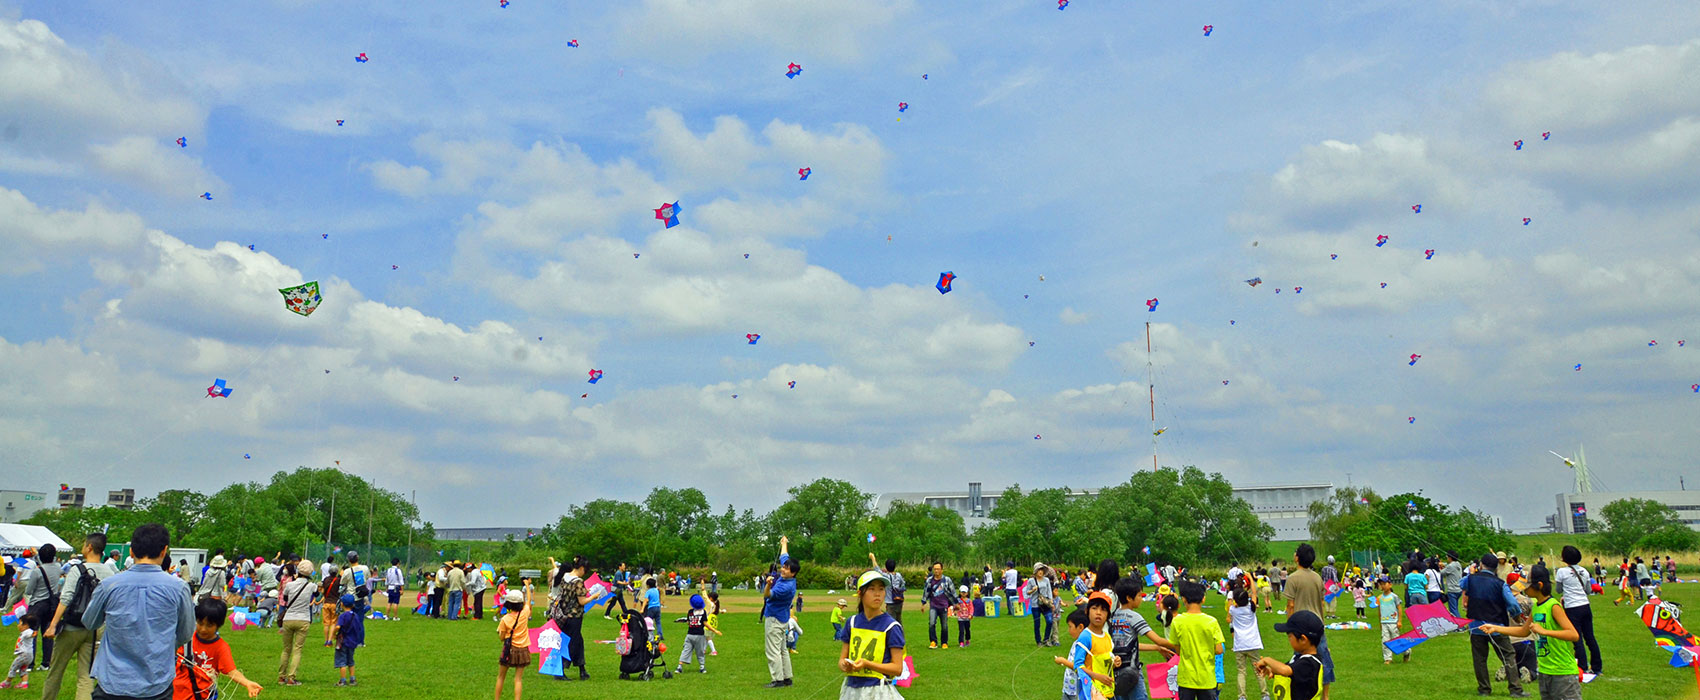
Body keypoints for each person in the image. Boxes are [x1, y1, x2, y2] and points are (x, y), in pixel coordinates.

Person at [83, 523, 196, 700]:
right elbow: (186, 633)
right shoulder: (179, 588)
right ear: (164, 551)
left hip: (112, 682)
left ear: (131, 551)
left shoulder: (109, 585)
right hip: (156, 682)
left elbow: (90, 622)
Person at [1479, 565, 1580, 700]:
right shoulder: (1537, 607)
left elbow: (1573, 635)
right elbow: (1523, 631)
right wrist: (1496, 628)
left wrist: (1545, 631)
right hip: (1545, 670)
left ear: (1539, 585)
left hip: (1562, 672)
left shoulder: (1553, 606)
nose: (1524, 589)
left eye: (1526, 586)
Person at [42, 531, 116, 700]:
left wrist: (53, 624)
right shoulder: (110, 572)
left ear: (89, 547)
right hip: (94, 629)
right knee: (86, 676)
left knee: (56, 671)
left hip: (71, 627)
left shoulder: (78, 570)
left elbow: (66, 598)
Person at [1461, 552, 1525, 697]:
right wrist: (1516, 616)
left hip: (1476, 626)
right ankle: (1515, 689)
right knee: (1508, 655)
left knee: (1480, 659)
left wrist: (1471, 573)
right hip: (1497, 626)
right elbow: (1513, 604)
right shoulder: (1500, 584)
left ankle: (1484, 689)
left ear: (1481, 565)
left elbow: (1462, 585)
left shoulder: (1471, 579)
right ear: (1496, 567)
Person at [174, 598, 263, 700]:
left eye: (209, 625)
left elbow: (232, 671)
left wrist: (247, 683)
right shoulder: (186, 638)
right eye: (200, 623)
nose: (203, 629)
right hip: (175, 694)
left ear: (218, 625)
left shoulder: (220, 648)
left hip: (201, 696)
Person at [836, 570, 906, 700]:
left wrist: (867, 664)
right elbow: (841, 660)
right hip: (851, 691)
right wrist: (845, 665)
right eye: (872, 589)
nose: (877, 594)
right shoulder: (851, 623)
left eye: (881, 589)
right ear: (860, 594)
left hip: (879, 691)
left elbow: (897, 668)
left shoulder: (891, 627)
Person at [1109, 578, 1177, 700]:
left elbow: (1128, 645)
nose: (1141, 598)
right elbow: (1158, 639)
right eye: (1139, 595)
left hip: (1116, 671)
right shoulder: (1134, 616)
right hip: (1132, 670)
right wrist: (1181, 645)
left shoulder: (1114, 616)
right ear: (1129, 598)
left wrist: (1156, 648)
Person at [1284, 544, 1333, 700]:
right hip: (1317, 625)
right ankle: (1325, 696)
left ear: (1297, 557)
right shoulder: (1317, 577)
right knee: (1323, 660)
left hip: (1301, 627)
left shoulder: (1292, 578)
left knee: (1300, 663)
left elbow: (1290, 605)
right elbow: (1321, 603)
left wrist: (1290, 627)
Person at [5, 545, 62, 671]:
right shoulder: (58, 568)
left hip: (37, 604)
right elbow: (47, 566)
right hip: (51, 604)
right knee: (47, 633)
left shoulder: (37, 571)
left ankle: (30, 664)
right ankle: (46, 663)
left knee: (31, 634)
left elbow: (29, 590)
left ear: (40, 556)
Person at [1253, 610, 1326, 700]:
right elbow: (1288, 672)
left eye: (1290, 636)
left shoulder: (1309, 663)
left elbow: (1285, 670)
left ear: (1303, 639)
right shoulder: (1300, 658)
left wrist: (1266, 660)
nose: (1289, 640)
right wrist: (1271, 671)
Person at [1554, 546, 1601, 678]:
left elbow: (1558, 590)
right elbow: (1587, 590)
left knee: (1577, 638)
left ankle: (1582, 667)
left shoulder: (1562, 572)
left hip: (1572, 607)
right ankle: (1597, 667)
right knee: (1590, 637)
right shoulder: (1584, 571)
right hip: (1585, 605)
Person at [1172, 581, 1224, 700]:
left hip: (1186, 678)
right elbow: (1219, 650)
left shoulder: (1177, 621)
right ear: (1203, 599)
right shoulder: (1211, 621)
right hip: (1206, 677)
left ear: (1184, 599)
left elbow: (1178, 650)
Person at [546, 556, 593, 682]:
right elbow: (582, 601)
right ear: (582, 568)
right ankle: (559, 671)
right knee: (571, 643)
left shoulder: (565, 577)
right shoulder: (578, 581)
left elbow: (568, 594)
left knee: (578, 642)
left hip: (563, 616)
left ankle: (582, 670)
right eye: (585, 570)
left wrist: (584, 591)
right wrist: (594, 596)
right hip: (574, 616)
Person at [761, 536, 798, 688]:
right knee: (783, 650)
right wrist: (784, 543)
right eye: (784, 567)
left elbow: (767, 595)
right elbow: (784, 556)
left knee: (773, 651)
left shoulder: (786, 588)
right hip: (782, 618)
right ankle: (787, 678)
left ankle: (778, 680)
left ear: (793, 573)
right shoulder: (787, 574)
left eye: (786, 569)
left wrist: (768, 584)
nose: (783, 569)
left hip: (775, 619)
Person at [276, 561, 317, 686]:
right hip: (303, 619)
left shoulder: (290, 585)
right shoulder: (311, 586)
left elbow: (286, 599)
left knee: (286, 649)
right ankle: (291, 678)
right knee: (297, 649)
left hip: (288, 619)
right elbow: (317, 593)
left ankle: (281, 676)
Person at [1228, 581, 1266, 700]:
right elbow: (1254, 592)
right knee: (1258, 670)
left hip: (1240, 644)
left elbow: (1230, 601)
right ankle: (1265, 694)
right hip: (1253, 643)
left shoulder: (1233, 610)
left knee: (1241, 671)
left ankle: (1242, 696)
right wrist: (1249, 577)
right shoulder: (1251, 608)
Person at [495, 589, 531, 700]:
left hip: (509, 650)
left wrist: (504, 634)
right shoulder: (525, 613)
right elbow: (528, 601)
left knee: (501, 677)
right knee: (518, 679)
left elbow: (501, 638)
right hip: (523, 649)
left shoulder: (505, 619)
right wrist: (527, 587)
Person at [1055, 607, 1092, 700]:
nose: (1068, 630)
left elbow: (1080, 667)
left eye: (1070, 626)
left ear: (1080, 627)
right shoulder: (1076, 642)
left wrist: (1063, 661)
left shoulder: (1084, 645)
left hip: (1078, 690)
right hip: (1068, 688)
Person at [328, 594, 363, 686]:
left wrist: (334, 633)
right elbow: (359, 628)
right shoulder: (355, 616)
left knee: (342, 661)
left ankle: (342, 680)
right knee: (351, 661)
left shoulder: (343, 616)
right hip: (352, 641)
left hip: (342, 641)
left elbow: (338, 626)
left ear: (342, 604)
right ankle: (352, 679)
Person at [675, 594, 714, 674]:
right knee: (700, 651)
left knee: (685, 650)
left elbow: (689, 623)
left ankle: (679, 667)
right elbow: (705, 623)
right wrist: (714, 630)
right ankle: (702, 667)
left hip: (689, 635)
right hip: (699, 635)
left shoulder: (690, 612)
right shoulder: (703, 613)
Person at [921, 562, 957, 650]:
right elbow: (926, 592)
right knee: (932, 623)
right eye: (935, 569)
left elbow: (953, 592)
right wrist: (923, 603)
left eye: (938, 569)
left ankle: (944, 642)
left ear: (942, 570)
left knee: (944, 625)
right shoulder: (929, 580)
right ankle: (933, 642)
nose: (936, 571)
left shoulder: (947, 580)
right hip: (933, 605)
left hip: (944, 606)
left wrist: (956, 603)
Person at [867, 553, 907, 625]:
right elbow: (903, 584)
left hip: (890, 602)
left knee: (891, 623)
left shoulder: (886, 576)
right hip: (899, 601)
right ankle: (900, 635)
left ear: (886, 567)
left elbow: (877, 570)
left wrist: (873, 558)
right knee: (899, 621)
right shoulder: (898, 575)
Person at [1376, 578, 1405, 664]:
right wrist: (1380, 622)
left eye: (1384, 584)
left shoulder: (1394, 597)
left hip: (1393, 622)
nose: (1383, 586)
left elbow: (1399, 609)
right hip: (1384, 622)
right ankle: (1388, 658)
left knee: (1396, 640)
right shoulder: (1380, 598)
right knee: (1385, 641)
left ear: (1390, 584)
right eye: (1381, 584)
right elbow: (1379, 610)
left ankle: (1406, 651)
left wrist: (1399, 621)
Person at [3, 614, 35, 691]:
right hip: (28, 656)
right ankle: (24, 683)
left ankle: (7, 683)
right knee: (23, 669)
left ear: (26, 625)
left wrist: (34, 634)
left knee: (13, 668)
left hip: (24, 655)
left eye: (20, 623)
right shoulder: (26, 631)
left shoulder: (28, 631)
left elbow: (31, 634)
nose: (18, 625)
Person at [1029, 563, 1056, 647]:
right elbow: (1027, 593)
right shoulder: (1031, 581)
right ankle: (1038, 641)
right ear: (1035, 571)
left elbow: (1049, 591)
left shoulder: (1046, 580)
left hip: (1045, 604)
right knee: (1037, 624)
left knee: (1049, 621)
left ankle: (1046, 639)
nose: (1040, 572)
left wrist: (1051, 601)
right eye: (1039, 570)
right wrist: (1033, 590)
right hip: (1035, 604)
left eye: (1042, 570)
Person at [640, 575, 664, 641]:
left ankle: (650, 635)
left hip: (651, 608)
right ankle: (660, 634)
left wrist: (642, 609)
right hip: (658, 607)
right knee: (658, 622)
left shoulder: (648, 592)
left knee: (649, 622)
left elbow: (646, 600)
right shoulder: (656, 590)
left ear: (648, 585)